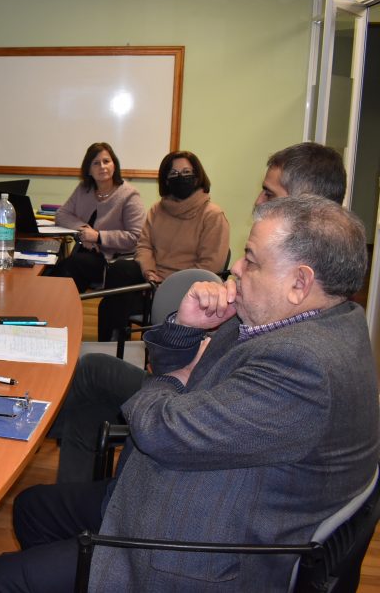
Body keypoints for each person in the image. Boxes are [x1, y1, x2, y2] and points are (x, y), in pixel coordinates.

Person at [0, 194, 378, 592]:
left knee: (4, 578)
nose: (236, 268)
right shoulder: (303, 319)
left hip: (200, 549)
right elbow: (182, 380)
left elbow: (160, 431)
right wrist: (186, 330)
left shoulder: (303, 365)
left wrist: (176, 378)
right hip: (199, 483)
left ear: (300, 282)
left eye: (252, 260)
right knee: (32, 508)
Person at [50, 142, 347, 483]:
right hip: (189, 376)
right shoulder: (296, 293)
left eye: (268, 192)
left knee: (39, 498)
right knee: (94, 367)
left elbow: (183, 423)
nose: (257, 202)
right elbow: (145, 249)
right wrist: (179, 330)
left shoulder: (296, 344)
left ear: (305, 205)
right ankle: (55, 451)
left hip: (189, 405)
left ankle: (38, 432)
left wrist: (178, 374)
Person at [97, 150, 229, 341]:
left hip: (185, 289)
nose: (180, 177)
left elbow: (210, 266)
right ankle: (112, 348)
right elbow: (144, 246)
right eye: (173, 173)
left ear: (197, 176)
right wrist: (150, 273)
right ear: (166, 180)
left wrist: (168, 286)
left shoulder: (213, 215)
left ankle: (139, 346)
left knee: (116, 304)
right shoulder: (157, 210)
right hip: (151, 282)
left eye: (186, 172)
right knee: (118, 275)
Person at [48, 142, 145, 292]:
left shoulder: (129, 195)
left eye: (106, 161)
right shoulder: (84, 189)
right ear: (88, 170)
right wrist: (84, 230)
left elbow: (136, 237)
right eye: (96, 163)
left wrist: (98, 237)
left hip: (113, 259)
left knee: (69, 269)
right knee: (55, 270)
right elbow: (62, 214)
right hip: (85, 253)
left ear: (114, 165)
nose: (102, 166)